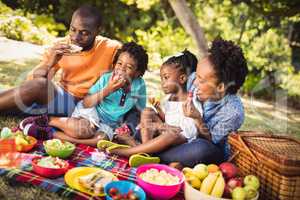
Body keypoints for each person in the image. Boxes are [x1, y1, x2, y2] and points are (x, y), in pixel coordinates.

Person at [108, 38, 248, 168]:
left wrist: (197, 119)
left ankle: (137, 149)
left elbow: (211, 141)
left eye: (201, 80)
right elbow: (173, 94)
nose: (194, 81)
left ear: (221, 87)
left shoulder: (232, 112)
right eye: (196, 75)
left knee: (203, 150)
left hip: (192, 144)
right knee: (137, 114)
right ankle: (148, 151)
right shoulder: (194, 78)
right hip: (172, 131)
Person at [0, 5, 120, 118]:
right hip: (61, 97)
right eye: (73, 29)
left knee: (30, 95)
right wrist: (50, 62)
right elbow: (33, 82)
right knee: (17, 101)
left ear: (98, 31)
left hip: (85, 106)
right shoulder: (61, 46)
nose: (75, 38)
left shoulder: (111, 48)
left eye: (84, 33)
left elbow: (128, 73)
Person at [46, 42, 148, 146]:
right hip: (91, 112)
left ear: (137, 73)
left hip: (109, 124)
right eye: (119, 63)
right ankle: (49, 120)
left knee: (102, 140)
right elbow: (87, 103)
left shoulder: (139, 86)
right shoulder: (106, 79)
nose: (121, 69)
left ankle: (57, 135)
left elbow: (140, 109)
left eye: (129, 67)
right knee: (85, 130)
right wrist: (108, 89)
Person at [102, 50, 201, 156]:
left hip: (180, 137)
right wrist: (159, 111)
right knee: (147, 111)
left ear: (182, 78)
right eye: (161, 78)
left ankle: (130, 150)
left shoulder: (191, 100)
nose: (163, 83)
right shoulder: (168, 99)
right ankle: (146, 149)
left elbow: (189, 127)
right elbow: (168, 119)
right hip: (166, 131)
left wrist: (158, 126)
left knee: (171, 134)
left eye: (166, 78)